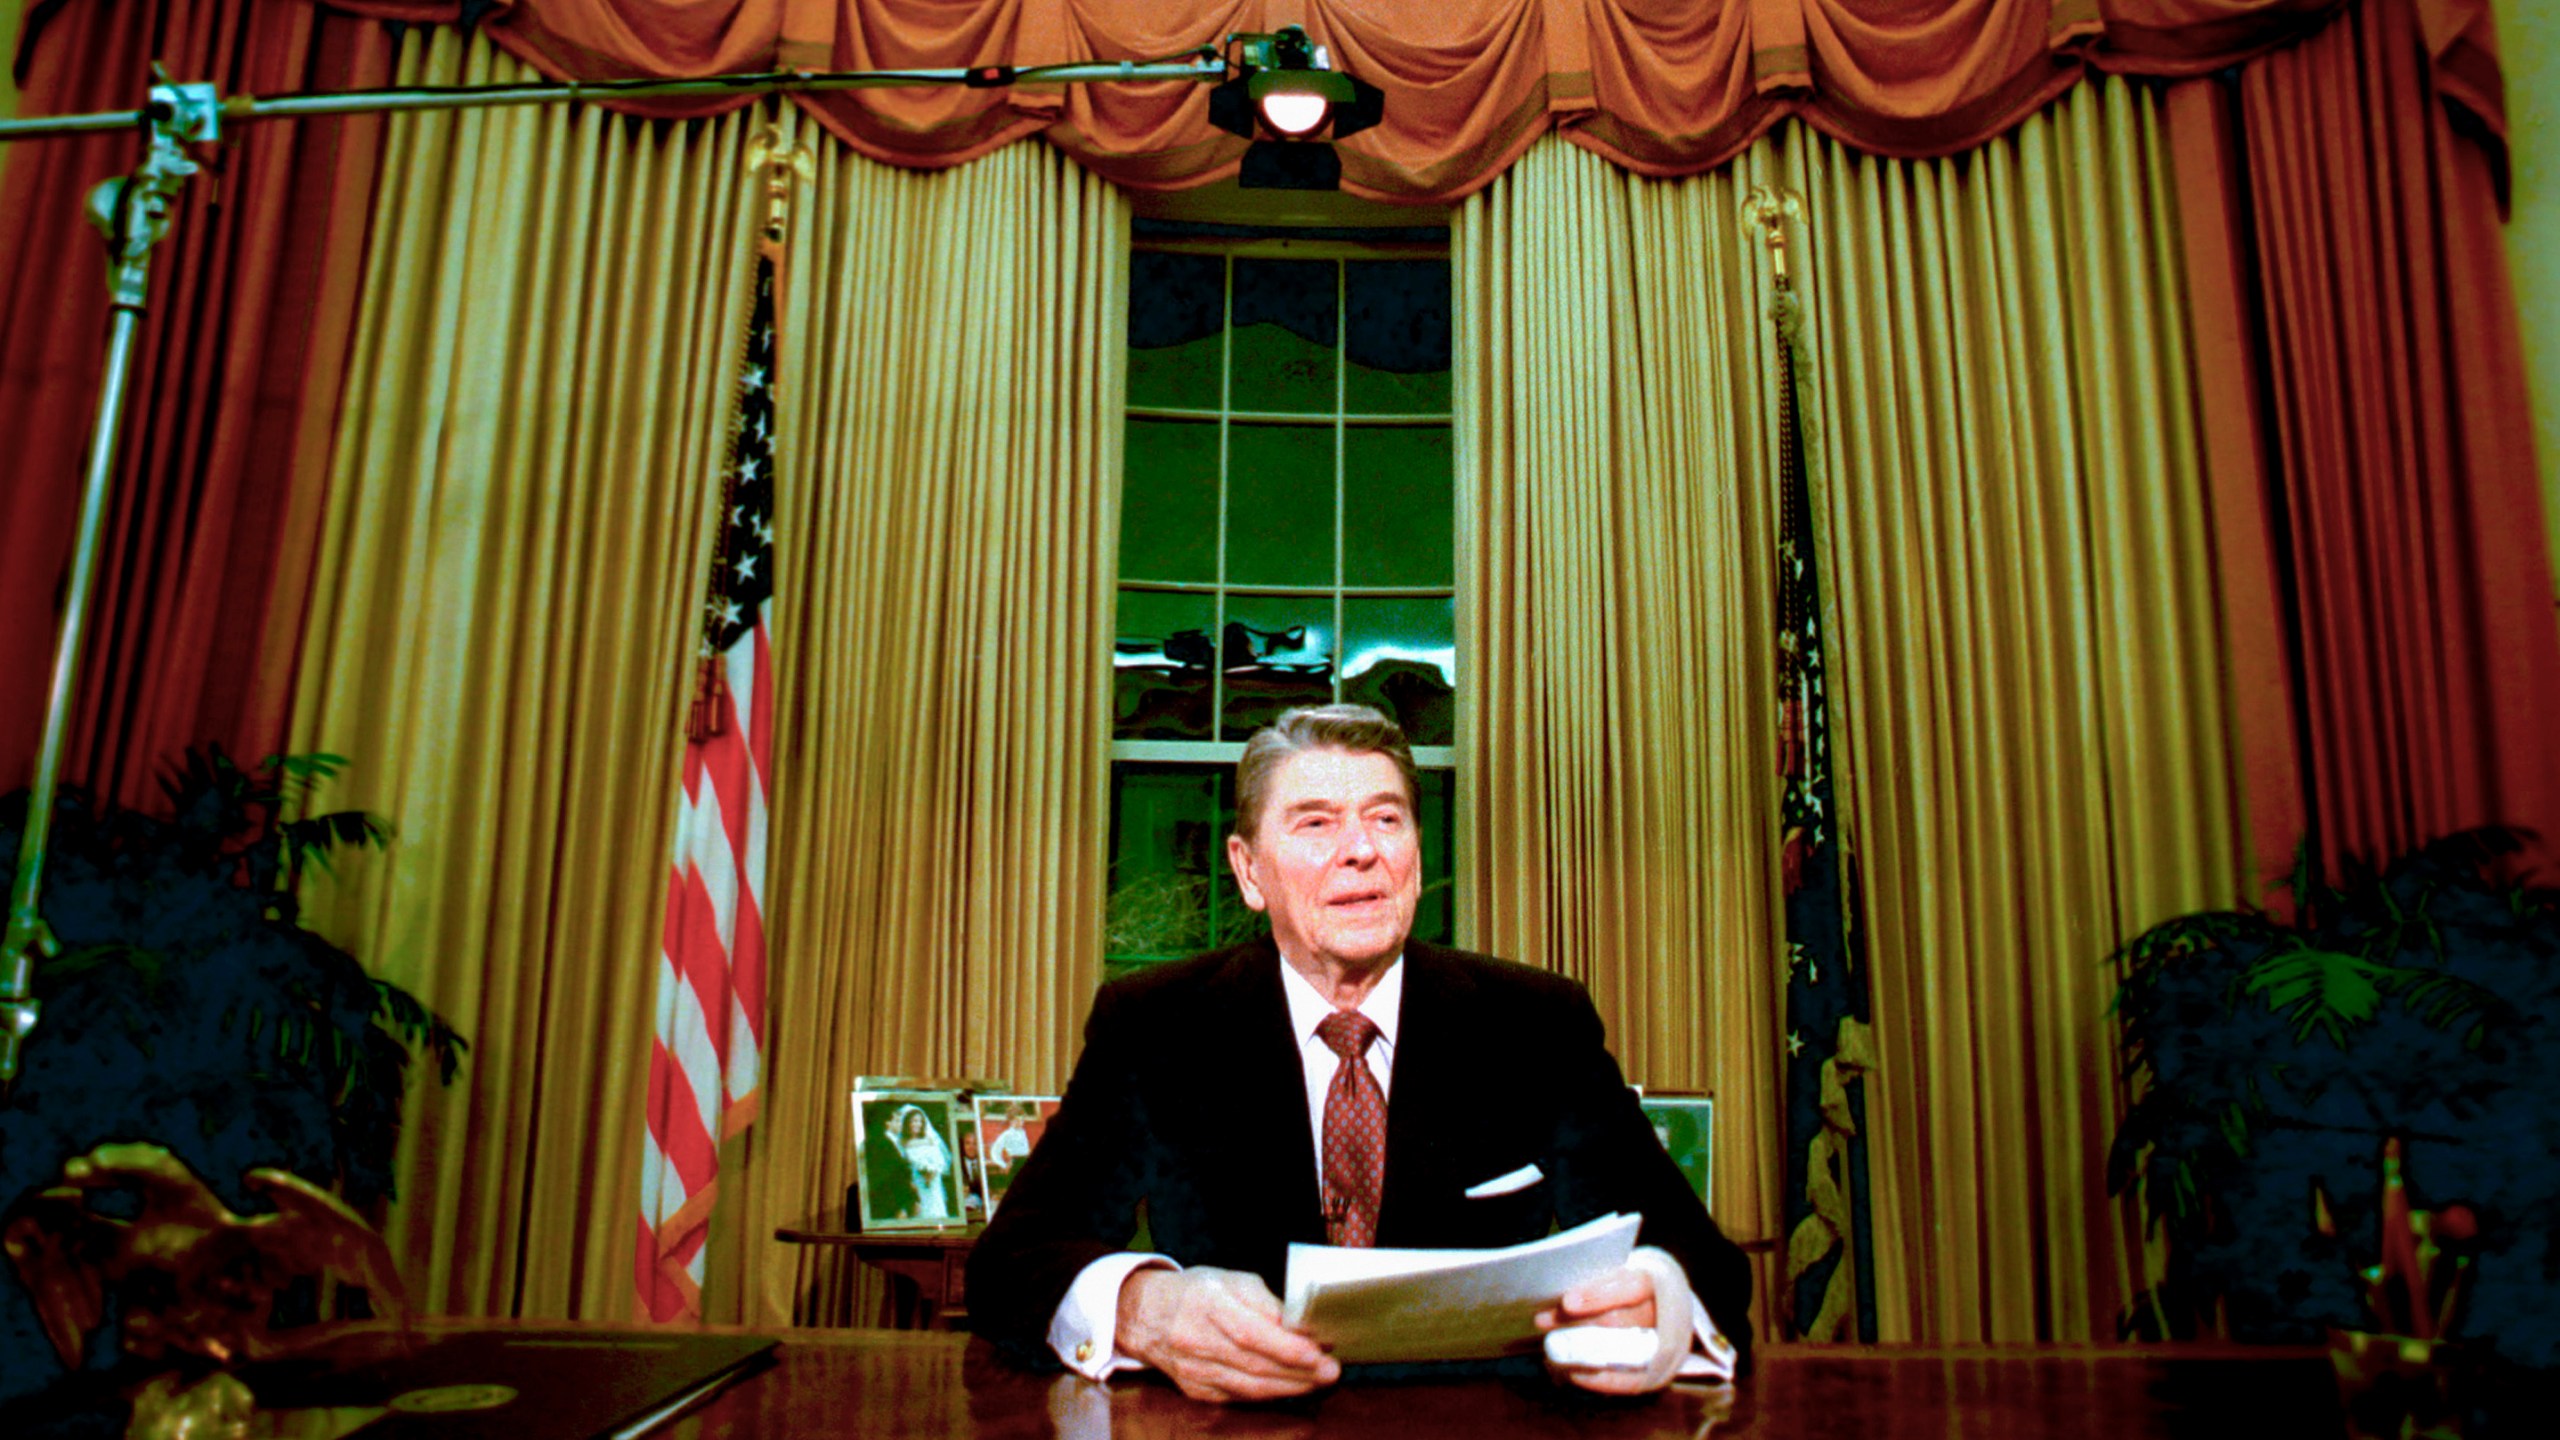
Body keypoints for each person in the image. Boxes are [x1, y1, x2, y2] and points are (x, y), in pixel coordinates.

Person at [969, 704, 1751, 1403]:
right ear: (1248, 871)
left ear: (1417, 853)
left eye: (1386, 818)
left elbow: (1704, 1264)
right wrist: (1145, 1309)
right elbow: (1013, 1261)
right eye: (1315, 823)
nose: (1360, 851)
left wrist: (1656, 1297)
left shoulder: (1537, 1023)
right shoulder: (1155, 1025)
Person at [891, 1103, 953, 1222]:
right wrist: (921, 1172)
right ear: (908, 1123)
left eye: (919, 1121)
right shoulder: (901, 1142)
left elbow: (940, 1160)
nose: (917, 1124)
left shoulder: (930, 1140)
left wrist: (932, 1172)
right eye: (914, 1121)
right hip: (915, 1183)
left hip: (933, 1183)